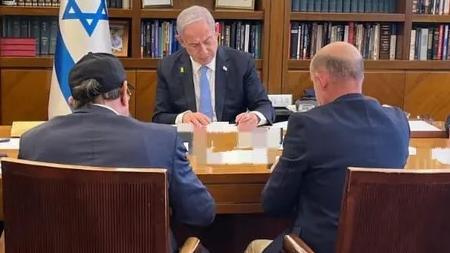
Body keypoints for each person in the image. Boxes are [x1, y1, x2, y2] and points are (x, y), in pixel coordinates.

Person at [18, 52, 215, 253]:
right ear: (123, 92)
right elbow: (201, 213)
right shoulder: (163, 140)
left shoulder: (32, 142)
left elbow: (22, 216)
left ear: (72, 101)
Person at [245, 42, 410, 253]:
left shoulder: (307, 124)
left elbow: (273, 204)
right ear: (361, 77)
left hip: (315, 247)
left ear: (321, 80)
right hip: (382, 245)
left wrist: (282, 167)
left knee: (253, 247)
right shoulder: (398, 121)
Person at [152, 5, 274, 131]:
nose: (204, 51)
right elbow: (159, 117)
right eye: (194, 45)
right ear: (181, 41)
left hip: (231, 141)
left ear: (216, 31)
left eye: (207, 41)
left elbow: (265, 107)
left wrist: (255, 117)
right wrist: (183, 118)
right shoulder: (168, 67)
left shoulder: (241, 62)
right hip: (189, 141)